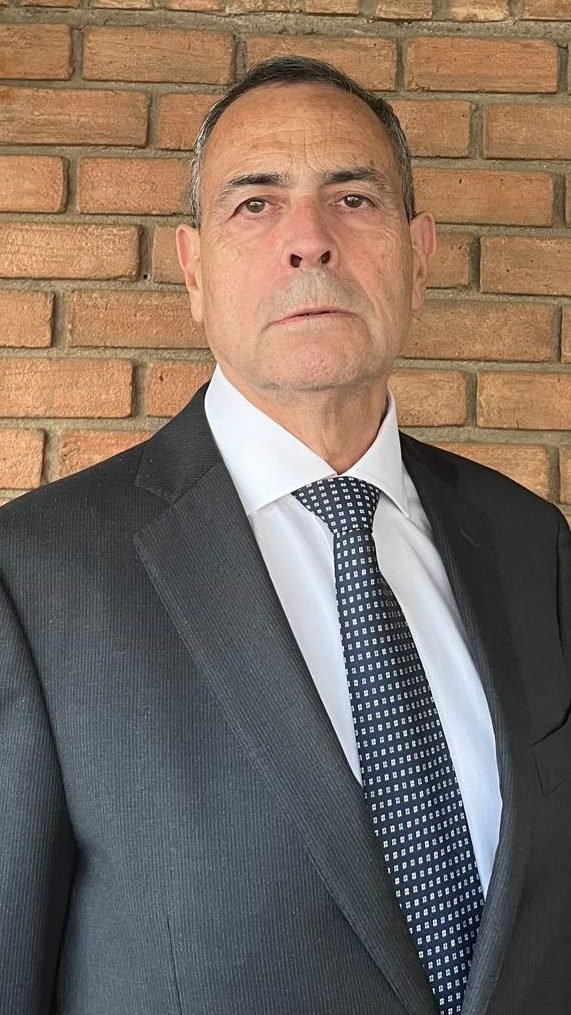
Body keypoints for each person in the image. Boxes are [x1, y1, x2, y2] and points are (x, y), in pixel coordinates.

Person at [0, 55, 569, 1015]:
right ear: (193, 269)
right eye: (255, 204)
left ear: (418, 256)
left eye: (353, 198)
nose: (309, 240)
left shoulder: (531, 545)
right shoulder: (34, 576)